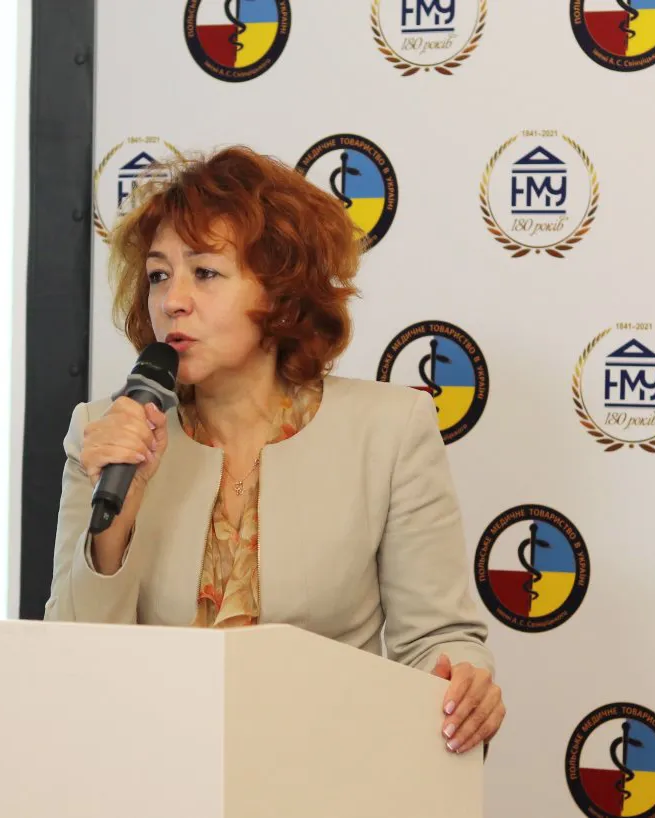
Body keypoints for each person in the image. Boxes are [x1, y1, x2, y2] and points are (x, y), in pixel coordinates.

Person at [43, 145, 505, 755]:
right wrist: (118, 518)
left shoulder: (389, 431)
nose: (172, 299)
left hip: (327, 769)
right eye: (158, 275)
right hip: (152, 767)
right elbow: (70, 660)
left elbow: (436, 642)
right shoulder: (106, 431)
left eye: (205, 273)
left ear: (281, 290)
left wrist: (463, 681)